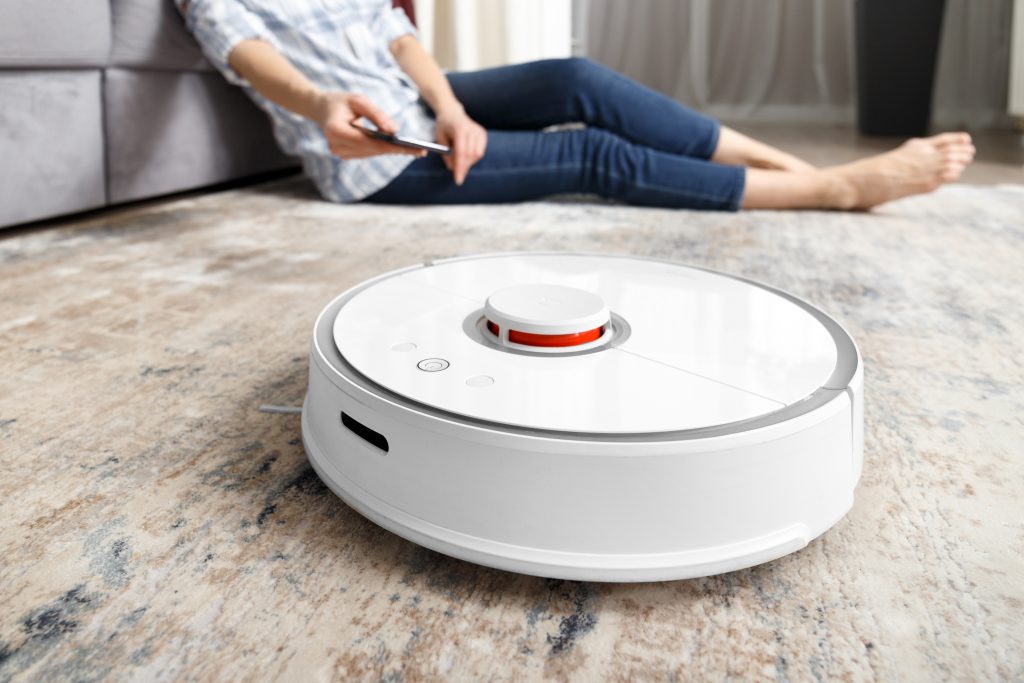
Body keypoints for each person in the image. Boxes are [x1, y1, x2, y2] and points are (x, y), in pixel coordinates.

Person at [180, 0, 975, 212]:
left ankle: (784, 164)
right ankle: (832, 188)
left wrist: (452, 108)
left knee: (575, 76)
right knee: (590, 156)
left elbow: (395, 34)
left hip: (422, 113)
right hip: (374, 158)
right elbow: (246, 54)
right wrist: (321, 100)